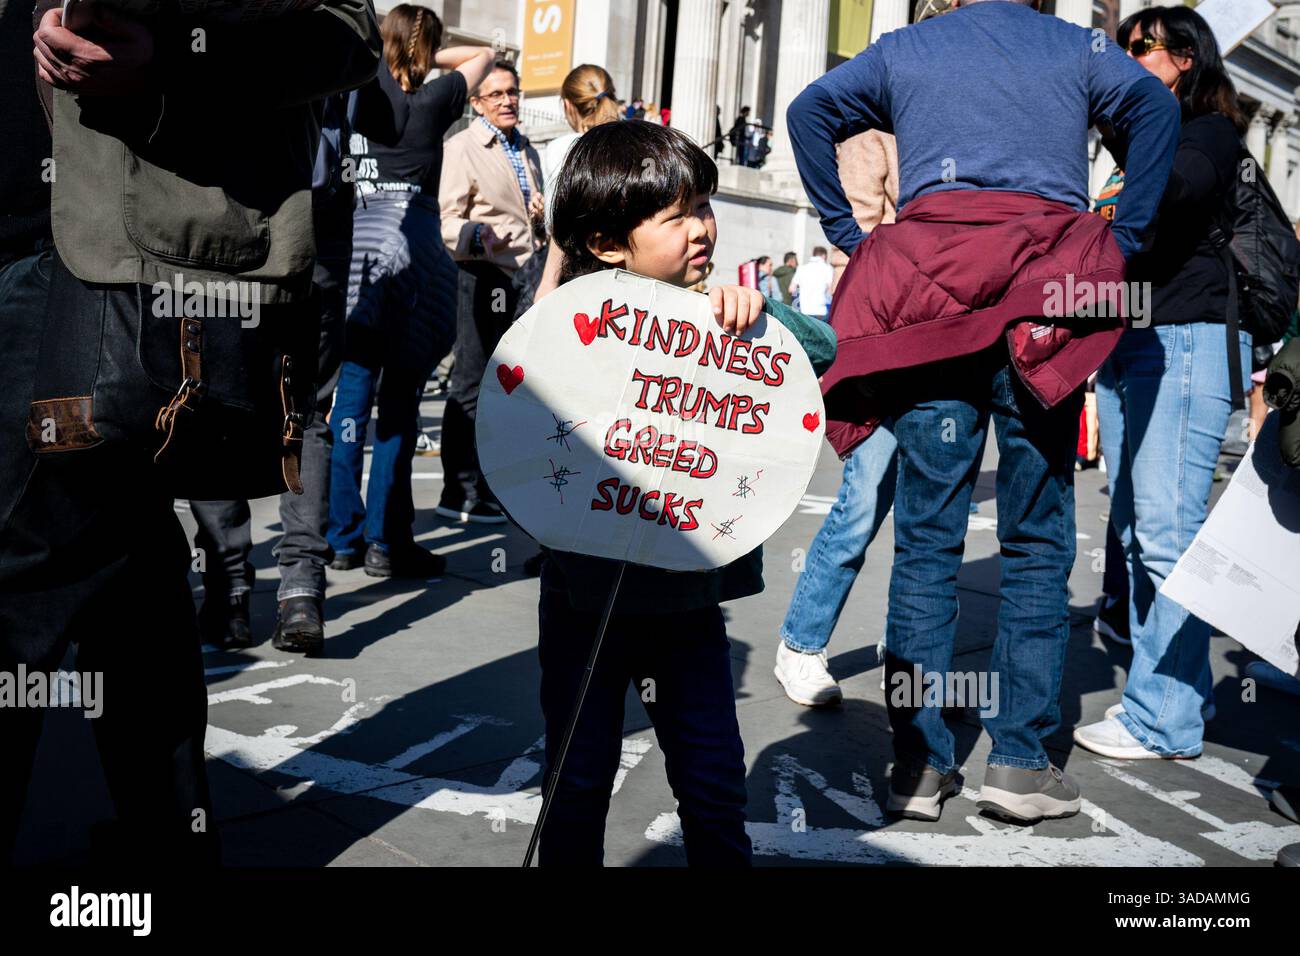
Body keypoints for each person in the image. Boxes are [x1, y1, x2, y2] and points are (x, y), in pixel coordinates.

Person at [4, 0, 379, 864]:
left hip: (86, 269)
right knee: (131, 579)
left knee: (23, 581)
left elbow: (344, 32)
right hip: (68, 272)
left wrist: (171, 55)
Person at [788, 0, 1179, 823]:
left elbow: (809, 109)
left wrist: (852, 234)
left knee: (927, 539)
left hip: (932, 296)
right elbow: (1154, 104)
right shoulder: (1075, 46)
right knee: (1036, 540)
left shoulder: (908, 48)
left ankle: (919, 766)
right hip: (1043, 294)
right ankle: (1019, 763)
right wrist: (1126, 234)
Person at [538, 120, 837, 865]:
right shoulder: (576, 325)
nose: (702, 226)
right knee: (576, 781)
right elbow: (521, 410)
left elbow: (822, 349)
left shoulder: (720, 312)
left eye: (703, 205)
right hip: (586, 603)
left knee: (711, 783)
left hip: (688, 607)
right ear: (608, 243)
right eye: (677, 216)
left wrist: (760, 316)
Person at [1074, 6, 1251, 761]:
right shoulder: (1139, 141)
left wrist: (1123, 120)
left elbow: (1172, 191)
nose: (1128, 56)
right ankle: (1177, 697)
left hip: (1184, 341)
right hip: (1134, 341)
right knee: (1139, 531)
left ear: (1184, 58)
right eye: (1123, 46)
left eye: (1141, 48)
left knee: (1167, 537)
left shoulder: (1210, 136)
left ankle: (1165, 719)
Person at [191, 89, 362, 654]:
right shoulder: (336, 28)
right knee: (295, 409)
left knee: (225, 403)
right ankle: (287, 591)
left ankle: (244, 588)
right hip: (289, 215)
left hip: (244, 213)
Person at [326, 6, 494, 577]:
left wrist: (386, 45)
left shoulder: (361, 91)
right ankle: (384, 541)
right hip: (415, 246)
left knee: (349, 405)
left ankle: (341, 537)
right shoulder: (435, 98)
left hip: (361, 244)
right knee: (399, 406)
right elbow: (486, 56)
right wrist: (427, 54)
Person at [775, 113, 908, 709]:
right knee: (864, 497)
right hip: (884, 334)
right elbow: (858, 243)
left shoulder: (958, 128)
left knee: (933, 513)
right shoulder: (872, 135)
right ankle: (801, 643)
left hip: (948, 335)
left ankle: (911, 644)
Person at [438, 60, 545, 524]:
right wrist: (479, 235)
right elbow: (446, 220)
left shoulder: (527, 150)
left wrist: (539, 214)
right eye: (497, 94)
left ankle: (487, 485)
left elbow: (527, 221)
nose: (508, 101)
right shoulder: (462, 147)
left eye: (513, 92)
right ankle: (457, 490)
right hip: (479, 275)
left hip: (521, 278)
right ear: (476, 102)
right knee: (472, 381)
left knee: (506, 386)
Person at [788, 246, 834, 319]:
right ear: (824, 256)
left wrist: (796, 305)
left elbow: (791, 289)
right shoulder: (828, 268)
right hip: (821, 311)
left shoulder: (801, 268)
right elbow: (831, 291)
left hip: (804, 310)